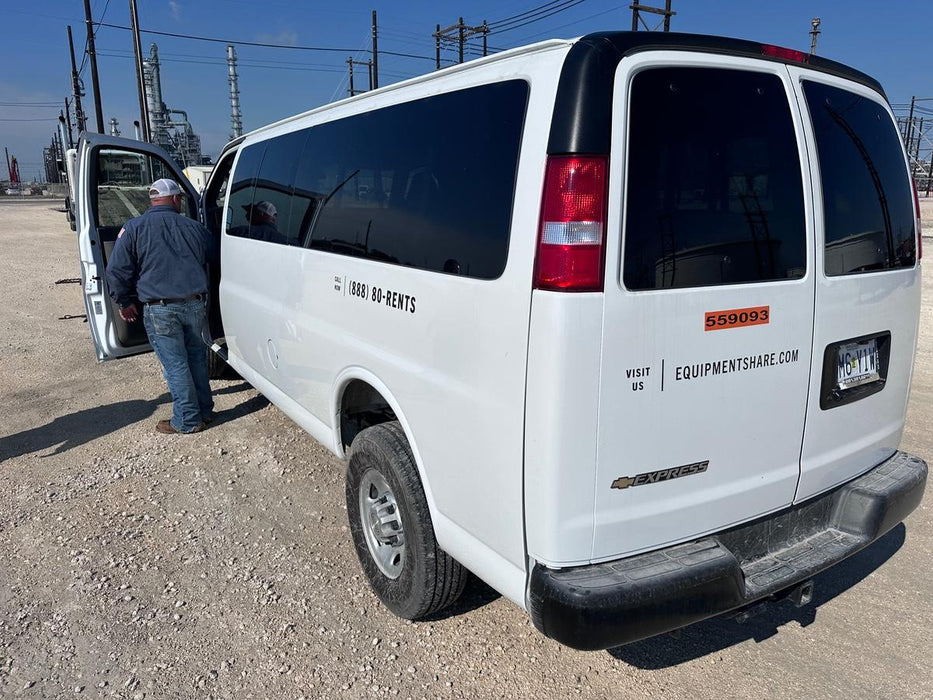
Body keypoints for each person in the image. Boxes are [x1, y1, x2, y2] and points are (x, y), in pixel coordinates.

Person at [106, 178, 219, 434]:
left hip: (160, 309)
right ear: (176, 199)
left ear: (153, 200)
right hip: (195, 304)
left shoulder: (134, 228)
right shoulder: (195, 227)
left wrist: (124, 301)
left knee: (176, 365)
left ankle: (188, 420)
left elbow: (116, 270)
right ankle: (205, 411)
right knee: (197, 360)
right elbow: (215, 256)